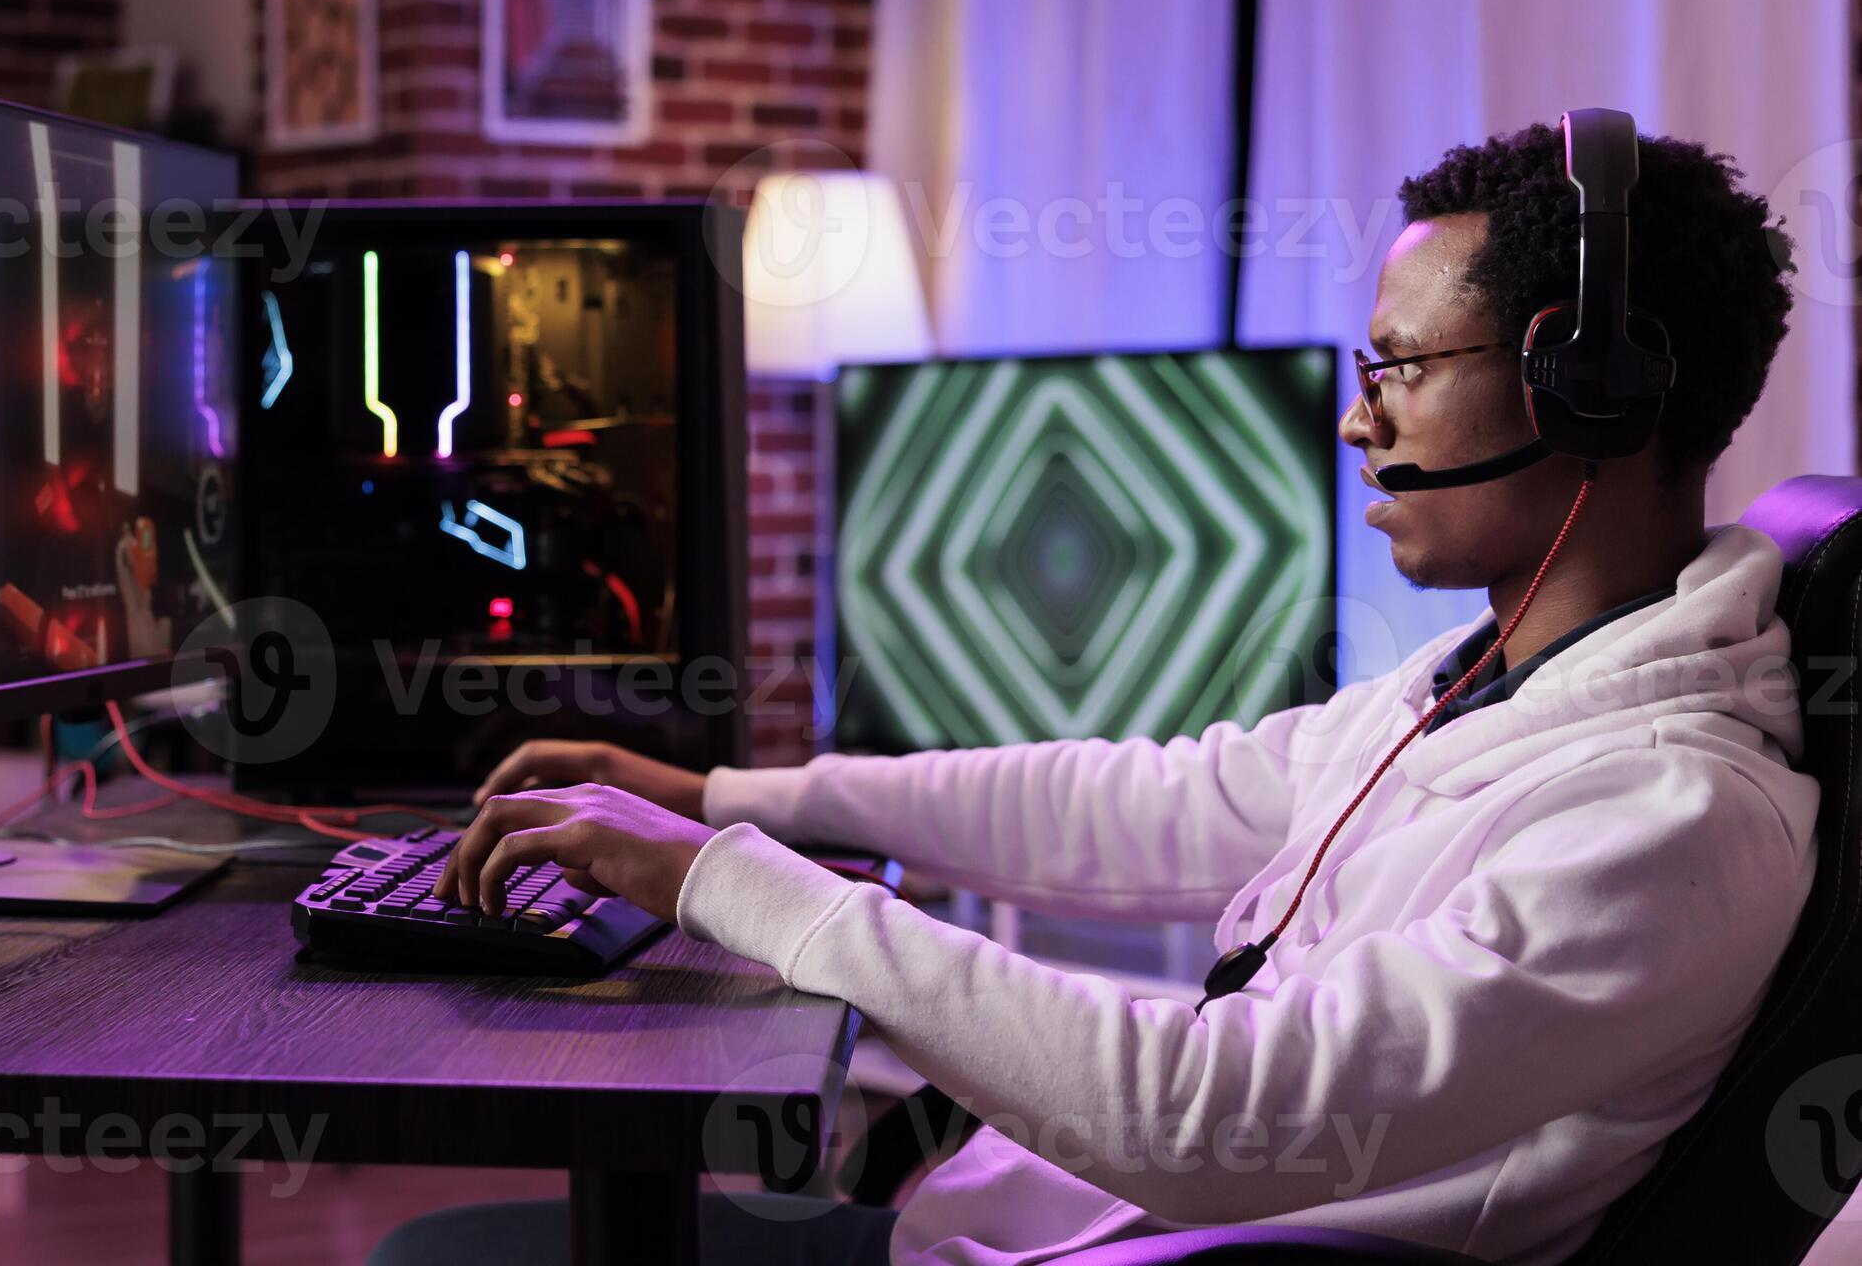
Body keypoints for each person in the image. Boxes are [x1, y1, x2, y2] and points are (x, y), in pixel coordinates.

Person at [391, 123, 1811, 1266]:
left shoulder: (1669, 819)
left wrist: (737, 883)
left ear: (1592, 392)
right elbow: (1139, 803)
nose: (1357, 415)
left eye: (1406, 367)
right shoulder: (1478, 693)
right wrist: (721, 798)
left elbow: (1209, 1113)